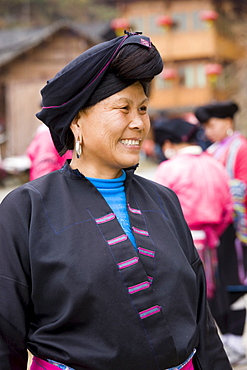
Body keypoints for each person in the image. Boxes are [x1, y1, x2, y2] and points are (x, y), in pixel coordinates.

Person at [0, 31, 231, 370]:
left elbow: (200, 324)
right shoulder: (26, 209)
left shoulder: (164, 200)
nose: (139, 123)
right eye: (122, 108)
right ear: (77, 120)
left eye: (143, 109)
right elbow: (4, 338)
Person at [153, 117, 233, 303]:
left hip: (181, 244)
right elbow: (228, 207)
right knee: (209, 296)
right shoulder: (214, 164)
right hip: (214, 241)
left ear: (167, 144)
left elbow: (158, 212)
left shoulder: (169, 168)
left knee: (187, 298)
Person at [195, 100, 247, 365]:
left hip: (237, 229)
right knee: (216, 284)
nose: (208, 131)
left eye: (212, 125)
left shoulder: (241, 148)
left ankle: (236, 337)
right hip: (216, 228)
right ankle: (225, 335)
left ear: (228, 122)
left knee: (236, 280)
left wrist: (219, 194)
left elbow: (241, 186)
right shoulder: (213, 151)